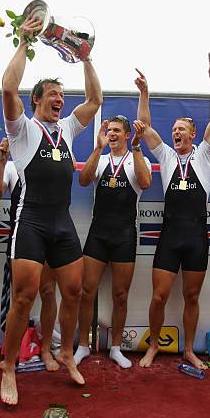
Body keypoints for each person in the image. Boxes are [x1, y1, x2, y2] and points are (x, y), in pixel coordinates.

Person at [0, 16, 102, 405]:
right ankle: (8, 367)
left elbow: (95, 101)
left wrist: (87, 58)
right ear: (37, 100)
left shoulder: (69, 130)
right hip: (31, 223)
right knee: (24, 298)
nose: (61, 99)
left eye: (62, 94)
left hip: (62, 223)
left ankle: (64, 352)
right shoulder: (22, 129)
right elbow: (8, 85)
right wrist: (25, 40)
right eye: (53, 94)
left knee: (73, 292)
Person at [136, 57, 210, 369]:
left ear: (193, 134)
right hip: (170, 234)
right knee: (158, 297)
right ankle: (154, 346)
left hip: (197, 236)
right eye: (173, 129)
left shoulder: (204, 155)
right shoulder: (165, 155)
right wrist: (145, 93)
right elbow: (144, 128)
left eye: (181, 129)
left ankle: (188, 350)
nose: (175, 132)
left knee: (192, 298)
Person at [74, 116, 152, 369]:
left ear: (127, 135)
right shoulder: (102, 159)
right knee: (87, 292)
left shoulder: (138, 159)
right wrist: (97, 148)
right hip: (98, 233)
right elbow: (84, 180)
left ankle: (116, 347)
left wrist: (138, 148)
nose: (112, 134)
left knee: (120, 295)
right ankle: (83, 346)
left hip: (124, 235)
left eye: (118, 130)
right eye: (109, 130)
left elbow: (145, 182)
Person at [0, 137, 60, 371]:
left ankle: (47, 349)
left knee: (48, 292)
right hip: (22, 238)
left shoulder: (49, 159)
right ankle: (12, 353)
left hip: (50, 236)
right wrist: (1, 162)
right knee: (19, 299)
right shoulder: (11, 166)